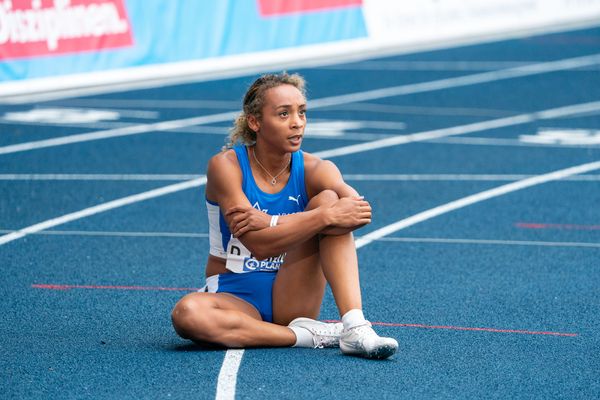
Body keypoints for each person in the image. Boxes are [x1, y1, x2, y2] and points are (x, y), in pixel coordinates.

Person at [171, 72, 398, 359]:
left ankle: (354, 325)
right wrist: (321, 217)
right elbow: (260, 245)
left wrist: (270, 221)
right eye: (283, 114)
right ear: (255, 122)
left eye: (302, 113)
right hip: (235, 296)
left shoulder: (317, 169)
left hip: (294, 290)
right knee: (187, 314)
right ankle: (305, 336)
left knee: (329, 199)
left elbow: (357, 211)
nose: (297, 123)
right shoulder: (226, 166)